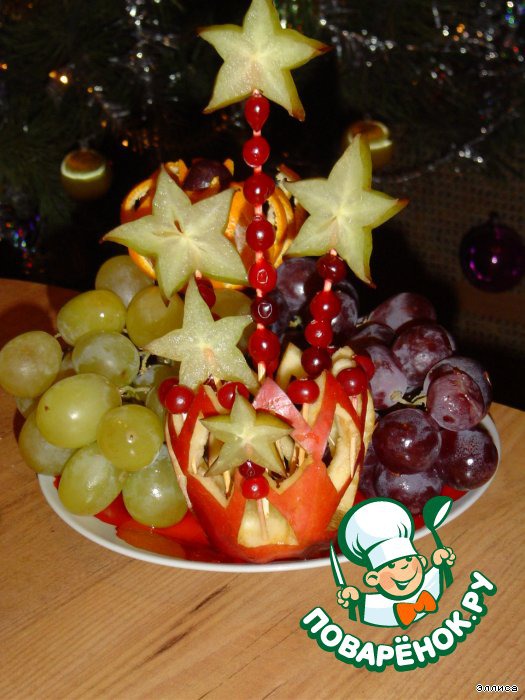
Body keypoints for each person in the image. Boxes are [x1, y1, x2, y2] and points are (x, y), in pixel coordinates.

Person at [336, 498, 455, 628]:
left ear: (421, 561)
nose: (404, 568)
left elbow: (445, 577)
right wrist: (352, 599)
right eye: (391, 565)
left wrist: (441, 562)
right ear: (373, 579)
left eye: (408, 559)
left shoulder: (431, 582)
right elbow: (354, 614)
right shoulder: (376, 606)